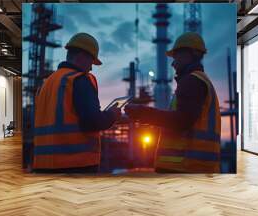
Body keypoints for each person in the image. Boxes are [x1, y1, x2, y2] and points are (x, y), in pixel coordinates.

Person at [125, 32, 221, 173]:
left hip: (185, 166)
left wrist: (142, 112)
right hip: (193, 167)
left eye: (177, 56)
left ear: (191, 54)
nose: (173, 63)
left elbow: (182, 121)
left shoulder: (191, 81)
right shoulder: (200, 81)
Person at [33, 33, 121, 173]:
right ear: (81, 56)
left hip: (43, 165)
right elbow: (92, 122)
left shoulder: (47, 83)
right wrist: (112, 115)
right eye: (91, 62)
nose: (91, 68)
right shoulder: (78, 80)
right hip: (74, 164)